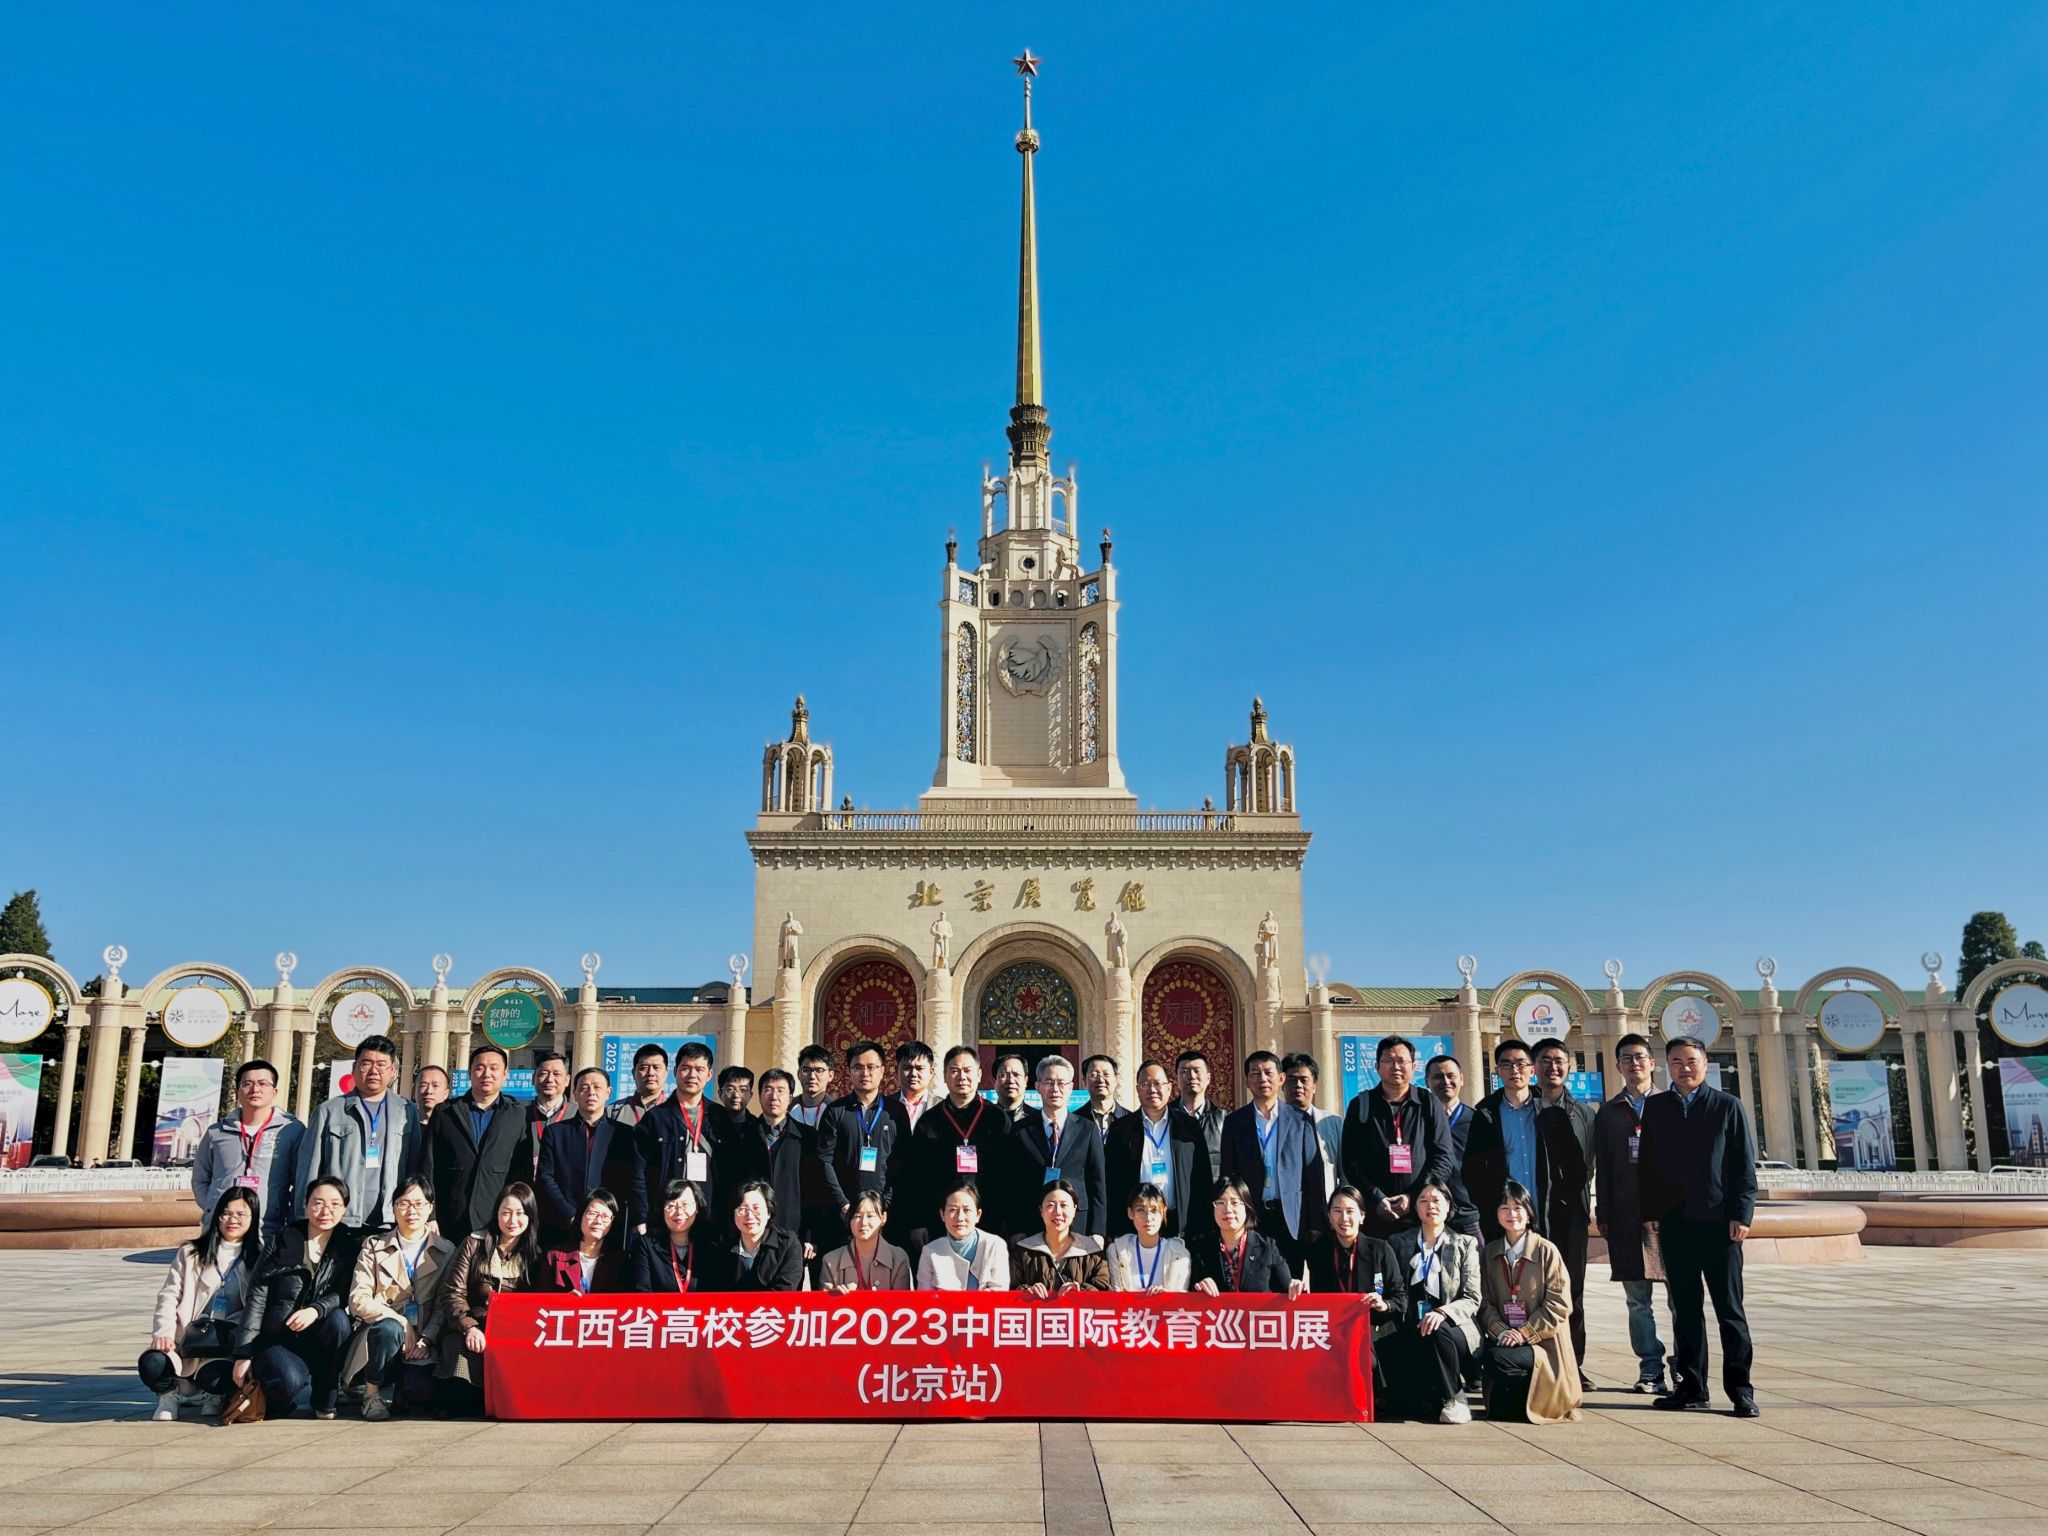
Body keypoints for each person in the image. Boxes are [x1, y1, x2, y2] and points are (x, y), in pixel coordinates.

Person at [1638, 1034, 1759, 1418]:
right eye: (1676, 1061)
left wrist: (1742, 1214)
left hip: (1721, 1227)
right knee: (1685, 1311)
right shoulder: (1656, 1108)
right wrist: (1651, 1210)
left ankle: (1741, 1391)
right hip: (1676, 1225)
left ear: (1705, 1064)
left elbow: (1744, 1165)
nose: (1684, 1068)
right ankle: (1692, 1387)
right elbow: (1648, 1165)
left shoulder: (1727, 1106)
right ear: (1666, 1066)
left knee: (1730, 1311)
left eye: (1691, 1061)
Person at [233, 1176, 363, 1419]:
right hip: (279, 1336)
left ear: (345, 1208)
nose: (325, 1211)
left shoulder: (348, 1244)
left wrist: (316, 1309)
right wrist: (243, 1353)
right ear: (305, 1204)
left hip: (321, 1335)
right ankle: (279, 1398)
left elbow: (345, 1291)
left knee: (338, 1321)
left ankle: (325, 1398)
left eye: (335, 1204)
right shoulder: (283, 1239)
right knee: (287, 1382)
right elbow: (257, 1297)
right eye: (318, 1203)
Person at [1593, 1032, 1672, 1393]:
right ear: (1618, 1066)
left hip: (1670, 1219)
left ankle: (1684, 1366)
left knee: (1681, 1300)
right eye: (1627, 1058)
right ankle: (1650, 1367)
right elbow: (1604, 1168)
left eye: (1640, 1057)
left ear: (1652, 1063)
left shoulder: (1671, 1105)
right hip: (1626, 1217)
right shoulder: (1609, 1113)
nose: (1634, 1063)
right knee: (1637, 1302)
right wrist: (1604, 1213)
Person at [343, 1175, 454, 1421]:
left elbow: (443, 1304)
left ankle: (401, 1390)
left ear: (430, 1208)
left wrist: (427, 1338)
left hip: (421, 1341)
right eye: (403, 1203)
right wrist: (400, 1321)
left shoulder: (446, 1251)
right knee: (389, 1329)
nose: (411, 1211)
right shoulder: (373, 1246)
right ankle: (371, 1395)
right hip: (379, 1337)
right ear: (393, 1208)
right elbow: (358, 1298)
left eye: (419, 1204)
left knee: (421, 1391)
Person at [142, 1186, 257, 1420]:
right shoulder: (191, 1253)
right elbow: (168, 1295)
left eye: (241, 1214)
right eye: (226, 1213)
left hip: (224, 1344)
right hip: (186, 1338)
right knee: (152, 1362)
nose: (232, 1220)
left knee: (218, 1377)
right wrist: (163, 1332)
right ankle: (169, 1395)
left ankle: (213, 1395)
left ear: (253, 1218)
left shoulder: (258, 1259)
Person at [1477, 1181, 1581, 1424]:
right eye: (1505, 1208)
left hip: (1543, 1343)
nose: (1511, 1214)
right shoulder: (1489, 1253)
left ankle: (1538, 1397)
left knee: (1499, 1359)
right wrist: (1502, 1331)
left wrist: (1523, 1333)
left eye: (1518, 1208)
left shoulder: (1546, 1251)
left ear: (1529, 1213)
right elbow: (1483, 1302)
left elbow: (1559, 1305)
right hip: (1504, 1337)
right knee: (1487, 1356)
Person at [1525, 1037, 1596, 1387]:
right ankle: (1535, 1363)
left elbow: (1589, 1163)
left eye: (1558, 1060)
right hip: (1532, 1216)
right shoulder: (1524, 1109)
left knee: (1572, 1293)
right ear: (1533, 1067)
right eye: (1545, 1060)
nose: (1552, 1067)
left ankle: (1573, 1365)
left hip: (1571, 1217)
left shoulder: (1584, 1113)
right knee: (1530, 1293)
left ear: (1569, 1066)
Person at [1383, 1180, 1483, 1423]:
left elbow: (1472, 1298)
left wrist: (1442, 1313)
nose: (1431, 1206)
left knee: (1437, 1331)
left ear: (1449, 1206)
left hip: (1454, 1327)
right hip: (1412, 1325)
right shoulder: (1398, 1242)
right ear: (1415, 1207)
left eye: (1437, 1200)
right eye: (1423, 1201)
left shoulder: (1464, 1244)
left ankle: (1454, 1397)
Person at [295, 1033, 419, 1230]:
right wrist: (303, 1220)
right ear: (354, 1068)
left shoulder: (407, 1111)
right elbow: (309, 1169)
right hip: (338, 1219)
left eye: (381, 1064)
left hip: (389, 1219)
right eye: (366, 1063)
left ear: (393, 1070)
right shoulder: (329, 1111)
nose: (374, 1070)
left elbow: (414, 1167)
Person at [440, 1182, 545, 1412]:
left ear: (530, 1216)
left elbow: (540, 1302)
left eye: (520, 1213)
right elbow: (452, 1293)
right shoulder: (473, 1243)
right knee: (458, 1382)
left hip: (512, 1332)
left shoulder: (535, 1255)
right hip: (473, 1327)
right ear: (496, 1213)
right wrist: (469, 1326)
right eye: (506, 1213)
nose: (512, 1220)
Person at [1338, 1035, 1453, 1240]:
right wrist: (1376, 1197)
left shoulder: (1428, 1103)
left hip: (1420, 1214)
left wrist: (1414, 1196)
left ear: (1414, 1066)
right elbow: (1350, 1160)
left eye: (1402, 1061)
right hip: (1374, 1214)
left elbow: (1443, 1157)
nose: (1396, 1066)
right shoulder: (1361, 1104)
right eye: (1389, 1061)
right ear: (1377, 1066)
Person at [1219, 1050, 1325, 1270]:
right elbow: (1228, 1174)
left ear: (1281, 1078)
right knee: (1252, 1281)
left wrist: (1315, 1223)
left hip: (1290, 1219)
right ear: (1247, 1081)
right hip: (1251, 1217)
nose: (1263, 1079)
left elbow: (1313, 1175)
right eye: (1255, 1073)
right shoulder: (1234, 1122)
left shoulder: (1300, 1120)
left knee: (1289, 1282)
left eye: (1268, 1072)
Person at [1306, 1184, 1406, 1404]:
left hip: (1374, 1328)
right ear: (1329, 1216)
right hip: (1335, 1330)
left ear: (1362, 1216)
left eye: (1350, 1211)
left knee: (1364, 1357)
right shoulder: (1320, 1251)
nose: (1344, 1218)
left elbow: (1401, 1299)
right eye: (1337, 1211)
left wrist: (1384, 1304)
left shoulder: (1380, 1249)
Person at [421, 1043, 528, 1243]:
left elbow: (522, 1172)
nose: (487, 1074)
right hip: (449, 1217)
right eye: (480, 1067)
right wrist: (430, 1215)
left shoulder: (518, 1115)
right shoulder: (445, 1113)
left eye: (494, 1068)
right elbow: (428, 1166)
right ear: (470, 1072)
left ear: (505, 1074)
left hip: (497, 1218)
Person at [191, 1058, 303, 1244]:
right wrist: (213, 1207)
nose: (255, 1089)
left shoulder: (292, 1131)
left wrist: (284, 1213)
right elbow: (200, 1179)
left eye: (263, 1083)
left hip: (268, 1228)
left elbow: (300, 1181)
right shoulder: (216, 1132)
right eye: (247, 1084)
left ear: (274, 1091)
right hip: (222, 1227)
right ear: (238, 1092)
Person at [912, 1046, 1012, 1243]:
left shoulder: (997, 1119)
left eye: (967, 1070)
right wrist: (918, 1221)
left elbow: (1009, 1174)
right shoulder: (928, 1121)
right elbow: (916, 1176)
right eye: (954, 1071)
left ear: (979, 1074)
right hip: (939, 1220)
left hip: (989, 1217)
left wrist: (1009, 1221)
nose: (962, 1077)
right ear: (944, 1075)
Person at [631, 1039, 727, 1237]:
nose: (692, 1075)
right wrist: (641, 1216)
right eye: (685, 1068)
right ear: (675, 1072)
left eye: (699, 1069)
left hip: (709, 1216)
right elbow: (638, 1171)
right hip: (664, 1216)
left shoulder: (720, 1118)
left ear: (709, 1075)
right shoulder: (656, 1118)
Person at [1108, 1059, 1212, 1238]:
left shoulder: (1189, 1127)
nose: (1152, 1089)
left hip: (1180, 1223)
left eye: (1157, 1083)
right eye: (1145, 1084)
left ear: (1169, 1088)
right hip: (1136, 1224)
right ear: (1137, 1089)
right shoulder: (1121, 1129)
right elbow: (1112, 1182)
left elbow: (1202, 1178)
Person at [1008, 1055, 1108, 1239]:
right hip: (1031, 1223)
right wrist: (1016, 1230)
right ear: (1038, 1086)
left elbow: (1098, 1184)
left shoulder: (1087, 1129)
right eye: (1048, 1082)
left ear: (1071, 1087)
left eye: (1061, 1083)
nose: (1055, 1089)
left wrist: (1097, 1231)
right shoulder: (1020, 1130)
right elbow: (1013, 1184)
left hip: (1078, 1223)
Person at [729, 1068, 819, 1269]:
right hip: (750, 1231)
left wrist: (810, 1235)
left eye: (780, 1090)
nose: (774, 1096)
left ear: (790, 1098)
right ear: (759, 1095)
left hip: (792, 1233)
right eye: (768, 1089)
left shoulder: (807, 1138)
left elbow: (814, 1191)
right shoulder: (743, 1137)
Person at [536, 1067, 631, 1251]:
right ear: (575, 1094)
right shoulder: (556, 1132)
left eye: (597, 1087)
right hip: (562, 1225)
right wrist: (570, 1214)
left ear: (608, 1092)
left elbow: (626, 1182)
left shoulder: (624, 1135)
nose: (591, 1093)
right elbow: (545, 1177)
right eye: (584, 1088)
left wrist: (607, 1215)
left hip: (607, 1227)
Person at [818, 1040, 900, 1248]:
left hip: (884, 1213)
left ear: (882, 1070)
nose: (865, 1073)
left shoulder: (895, 1112)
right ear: (849, 1071)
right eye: (858, 1067)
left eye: (871, 1067)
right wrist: (842, 1203)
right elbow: (824, 1160)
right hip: (843, 1214)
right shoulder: (836, 1111)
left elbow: (901, 1162)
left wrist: (885, 1203)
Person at [1461, 1039, 1540, 1239]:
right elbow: (1472, 1168)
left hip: (1546, 1210)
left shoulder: (1549, 1110)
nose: (1514, 1070)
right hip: (1504, 1216)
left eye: (1521, 1063)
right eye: (1506, 1064)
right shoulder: (1484, 1114)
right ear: (1497, 1071)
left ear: (1532, 1069)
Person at [1190, 1178, 1300, 1295]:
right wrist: (1198, 1287)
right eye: (1220, 1202)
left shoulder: (1267, 1246)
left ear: (1247, 1208)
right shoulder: (1201, 1249)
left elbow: (1287, 1288)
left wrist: (1295, 1286)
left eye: (1235, 1202)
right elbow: (1188, 1293)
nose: (1228, 1209)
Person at [1009, 1181, 1110, 1294]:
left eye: (1063, 1205)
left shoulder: (1092, 1252)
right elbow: (1009, 1290)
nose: (1057, 1212)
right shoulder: (1023, 1251)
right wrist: (1026, 1293)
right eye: (1050, 1205)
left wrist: (1081, 1291)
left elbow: (1105, 1290)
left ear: (1074, 1209)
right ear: (1041, 1210)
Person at [1423, 1054, 1481, 1238]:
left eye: (1451, 1076)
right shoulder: (1419, 1120)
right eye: (1438, 1077)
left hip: (1467, 1214)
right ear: (1426, 1081)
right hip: (1427, 1212)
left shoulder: (1477, 1120)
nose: (1446, 1081)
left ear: (1461, 1079)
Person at [709, 1179, 804, 1290]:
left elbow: (784, 1292)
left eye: (756, 1208)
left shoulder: (788, 1245)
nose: (750, 1216)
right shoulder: (722, 1251)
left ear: (769, 1212)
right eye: (742, 1209)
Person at [917, 1181, 1011, 1290]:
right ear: (942, 1214)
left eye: (967, 1210)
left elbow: (999, 1293)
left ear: (978, 1215)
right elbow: (925, 1297)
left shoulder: (995, 1246)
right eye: (953, 1210)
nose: (960, 1217)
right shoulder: (929, 1251)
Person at [626, 1179, 713, 1292]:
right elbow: (642, 1291)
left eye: (685, 1205)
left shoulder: (709, 1247)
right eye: (671, 1206)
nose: (679, 1212)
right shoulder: (645, 1245)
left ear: (697, 1208)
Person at [821, 1190, 913, 1292]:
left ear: (883, 1218)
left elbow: (902, 1301)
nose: (863, 1223)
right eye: (857, 1216)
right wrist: (833, 1298)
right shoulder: (830, 1261)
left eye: (870, 1216)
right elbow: (822, 1300)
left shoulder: (898, 1258)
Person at [1105, 1183, 1191, 1292]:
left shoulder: (1180, 1253)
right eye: (1141, 1210)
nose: (1148, 1218)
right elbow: (1116, 1296)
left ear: (1163, 1212)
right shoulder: (1117, 1251)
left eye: (1154, 1210)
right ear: (1130, 1213)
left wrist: (1165, 1296)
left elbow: (1181, 1297)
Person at [1282, 1052, 1344, 1201]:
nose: (1298, 1085)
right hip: (1285, 1207)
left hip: (1324, 1205)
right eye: (1291, 1080)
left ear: (1314, 1086)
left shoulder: (1333, 1123)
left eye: (1304, 1080)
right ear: (1282, 1084)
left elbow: (1345, 1172)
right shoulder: (1272, 1124)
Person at [548, 1189, 625, 1295]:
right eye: (592, 1214)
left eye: (605, 1216)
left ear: (612, 1221)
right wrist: (564, 1301)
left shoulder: (620, 1261)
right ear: (580, 1216)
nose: (598, 1221)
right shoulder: (555, 1256)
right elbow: (539, 1300)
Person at [519, 1050, 574, 1182]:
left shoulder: (577, 1115)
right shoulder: (520, 1115)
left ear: (567, 1080)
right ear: (533, 1078)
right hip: (526, 1190)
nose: (550, 1079)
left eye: (557, 1074)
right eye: (543, 1073)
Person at [1173, 1049, 1226, 1184]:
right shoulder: (1166, 1117)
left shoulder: (1223, 1119)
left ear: (1208, 1078)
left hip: (1213, 1193)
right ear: (1176, 1078)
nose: (1191, 1076)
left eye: (1197, 1071)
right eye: (1184, 1071)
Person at [609, 1043, 669, 1129]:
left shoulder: (677, 1111)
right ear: (633, 1073)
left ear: (666, 1073)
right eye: (644, 1068)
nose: (650, 1073)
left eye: (656, 1067)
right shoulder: (613, 1111)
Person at [1079, 1054, 1128, 1147]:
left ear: (1116, 1080)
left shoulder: (1131, 1120)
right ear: (1085, 1081)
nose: (1101, 1080)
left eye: (1106, 1074)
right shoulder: (1073, 1121)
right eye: (1094, 1075)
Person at [790, 1044, 836, 1128]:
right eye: (806, 1070)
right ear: (798, 1074)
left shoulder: (837, 1110)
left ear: (830, 1075)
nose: (812, 1076)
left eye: (819, 1070)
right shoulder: (786, 1108)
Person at [990, 1052, 1032, 1125]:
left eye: (1016, 1075)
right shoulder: (983, 1118)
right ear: (994, 1081)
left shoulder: (1038, 1120)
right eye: (1004, 1075)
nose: (1010, 1080)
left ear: (1025, 1081)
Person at [715, 1064, 757, 1132]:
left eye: (743, 1090)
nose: (736, 1095)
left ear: (750, 1095)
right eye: (730, 1089)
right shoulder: (709, 1125)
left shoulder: (758, 1128)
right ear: (720, 1094)